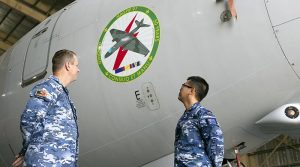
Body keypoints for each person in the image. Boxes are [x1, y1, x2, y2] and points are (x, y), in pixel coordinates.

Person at [12, 49, 80, 167]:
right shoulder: (48, 88)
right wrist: (27, 151)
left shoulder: (63, 94)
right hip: (44, 162)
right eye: (76, 65)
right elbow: (29, 120)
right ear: (68, 65)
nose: (78, 69)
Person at [174, 76, 224, 167]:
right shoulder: (184, 118)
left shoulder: (203, 114)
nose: (180, 88)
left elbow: (216, 145)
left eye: (184, 85)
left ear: (191, 91)